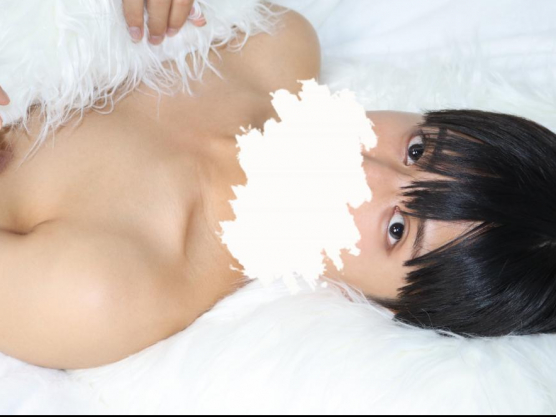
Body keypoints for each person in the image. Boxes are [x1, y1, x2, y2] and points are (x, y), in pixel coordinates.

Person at [0, 0, 554, 370]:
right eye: (417, 150)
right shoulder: (275, 43)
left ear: (382, 306)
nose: (366, 166)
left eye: (396, 228)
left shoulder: (113, 287)